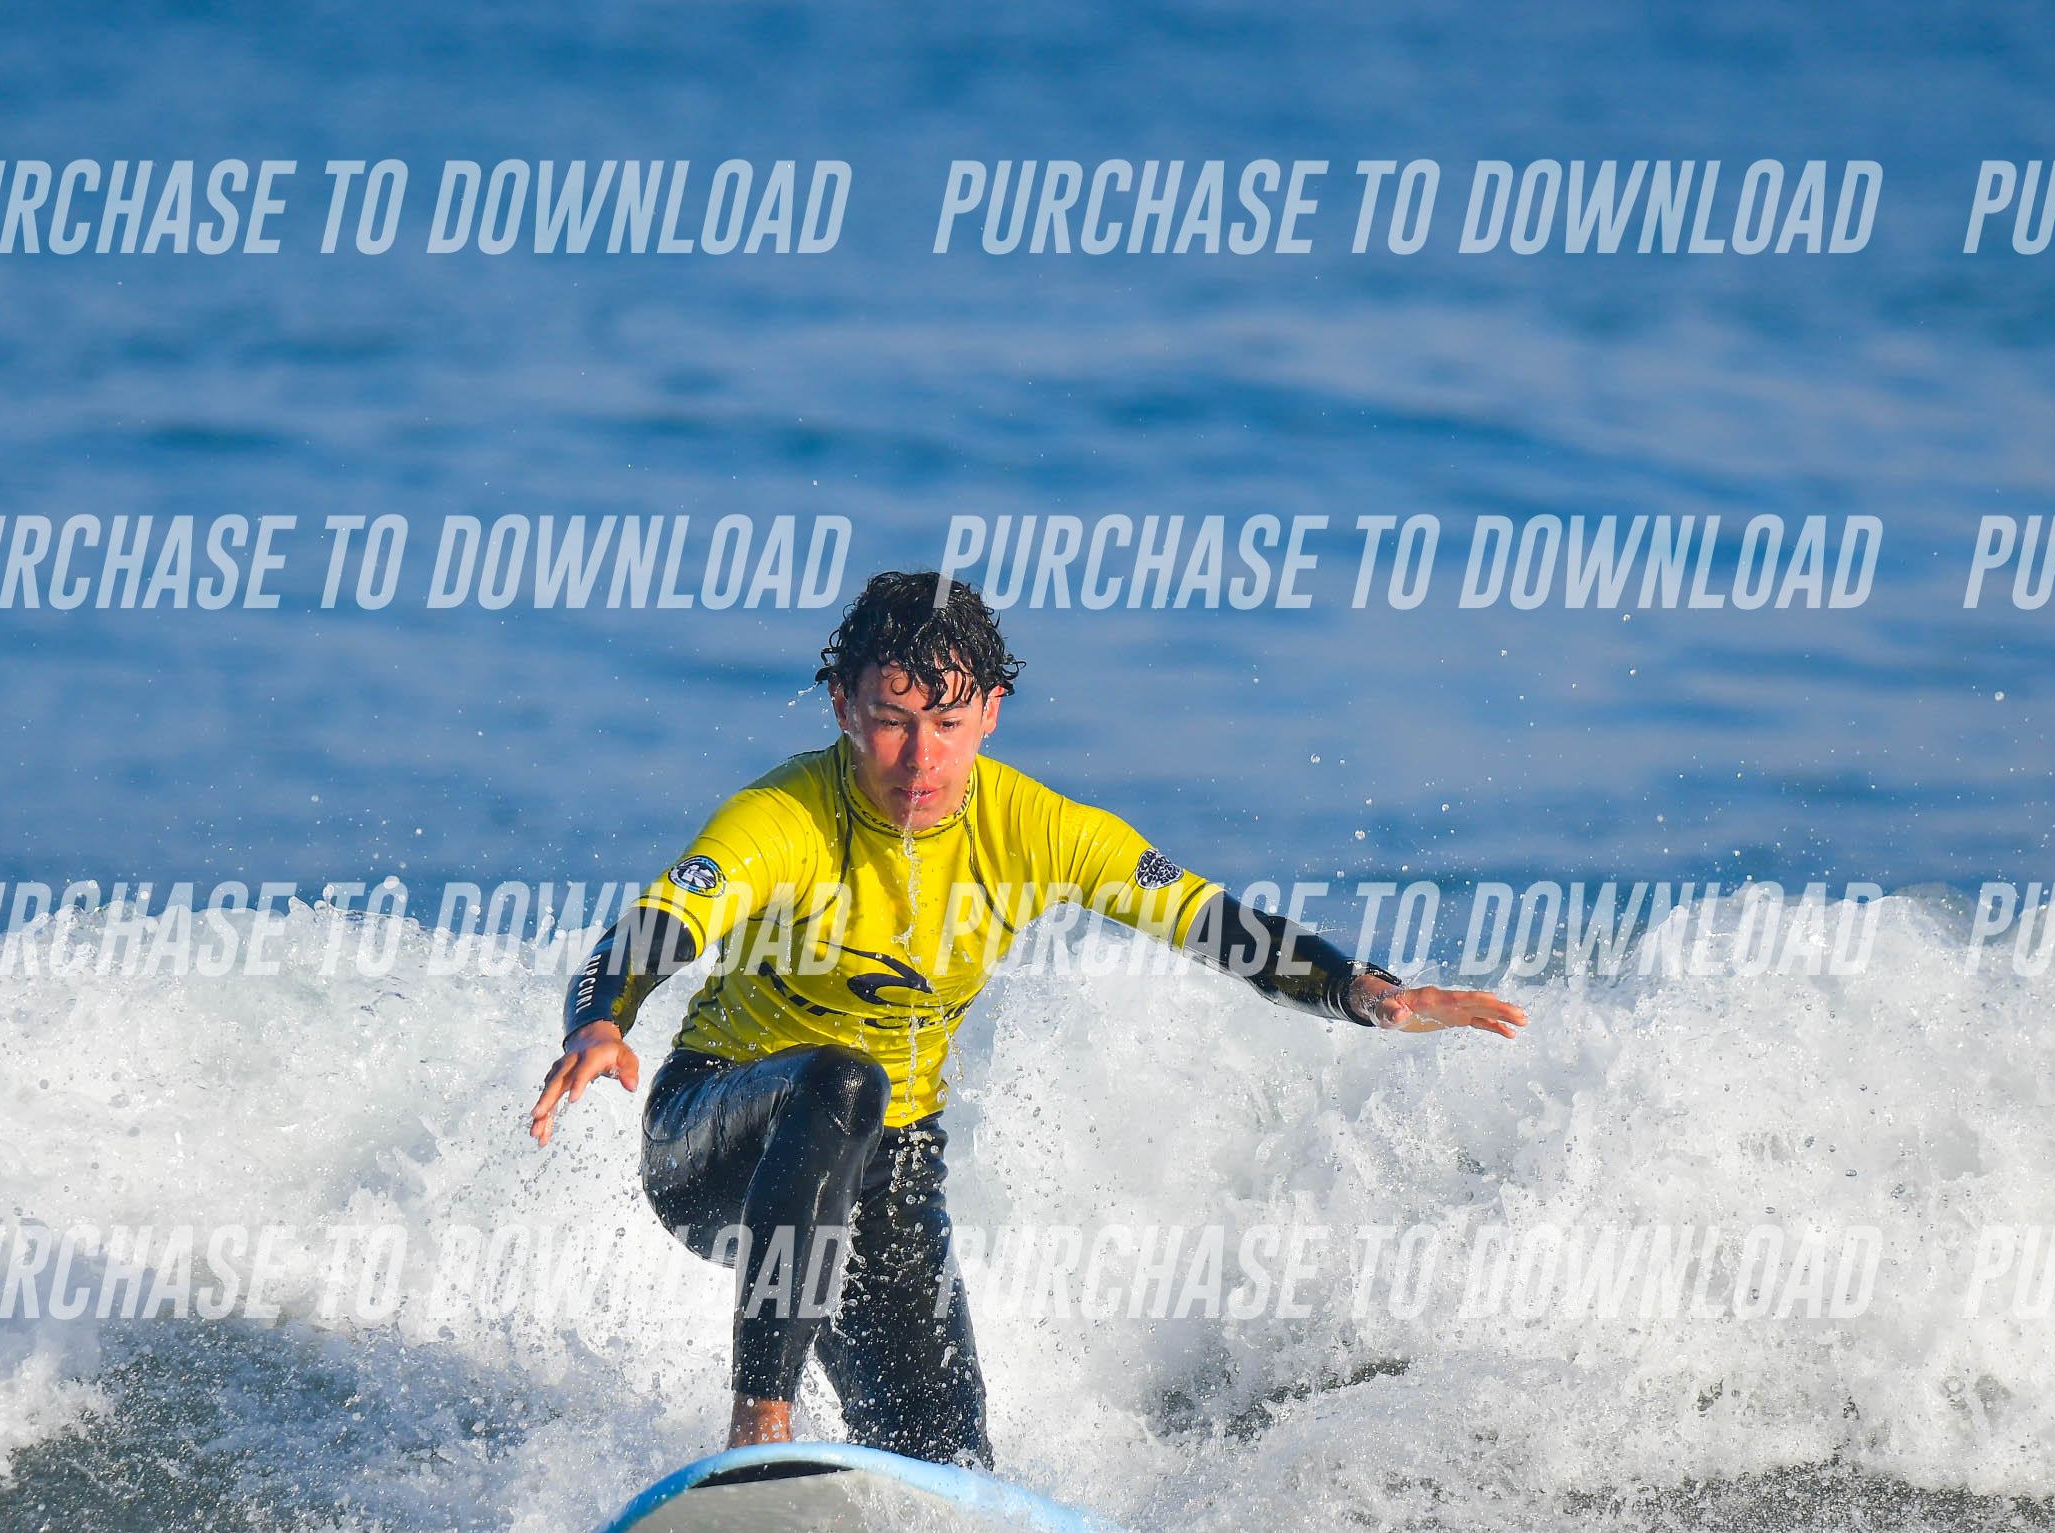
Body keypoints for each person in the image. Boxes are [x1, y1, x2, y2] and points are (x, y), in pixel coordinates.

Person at [528, 571, 1525, 1466]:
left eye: (947, 722)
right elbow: (660, 923)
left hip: (885, 1169)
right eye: (890, 721)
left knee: (948, 1471)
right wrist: (599, 1022)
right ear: (841, 708)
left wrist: (1365, 992)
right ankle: (757, 1432)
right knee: (841, 1080)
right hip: (719, 1144)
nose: (920, 758)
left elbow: (1210, 921)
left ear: (991, 713)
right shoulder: (784, 815)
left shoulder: (1036, 828)